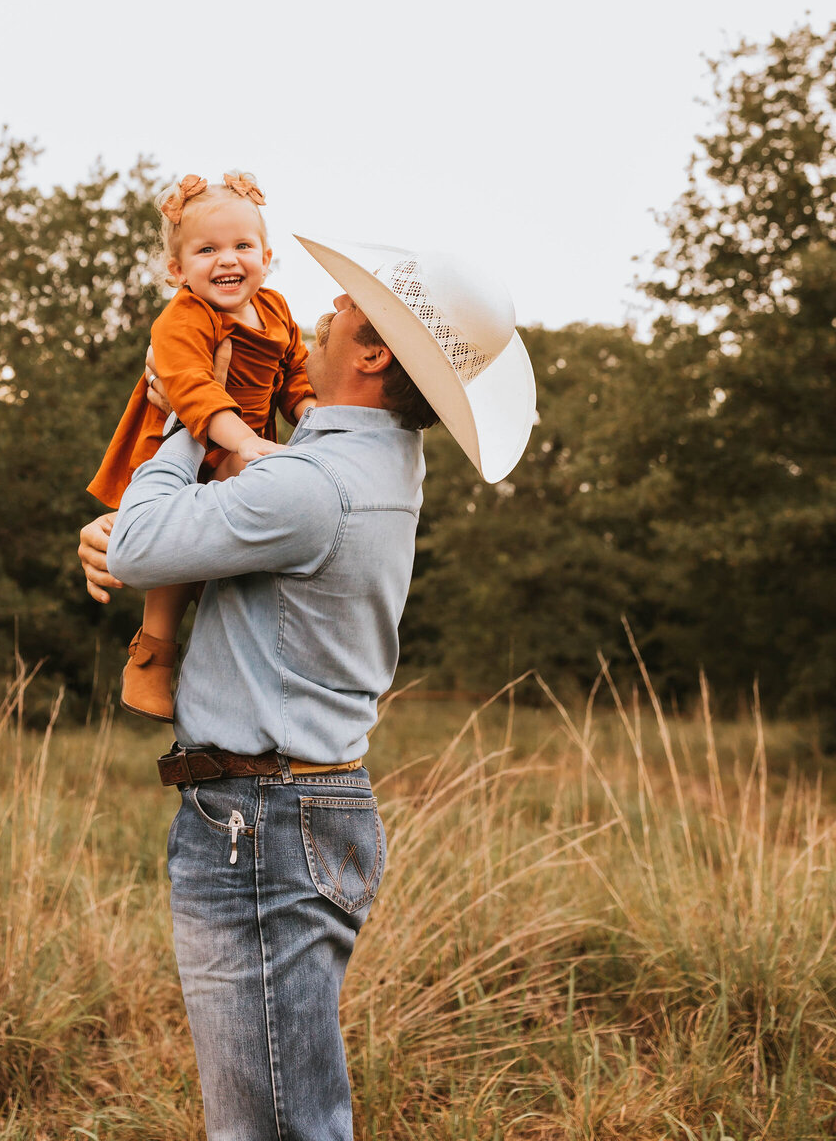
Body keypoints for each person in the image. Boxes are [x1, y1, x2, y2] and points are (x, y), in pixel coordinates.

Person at [79, 238, 537, 1141]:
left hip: (263, 820)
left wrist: (179, 414)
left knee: (274, 1123)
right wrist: (154, 529)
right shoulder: (367, 466)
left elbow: (139, 546)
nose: (322, 312)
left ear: (371, 354)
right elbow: (173, 539)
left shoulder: (313, 486)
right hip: (293, 808)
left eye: (344, 310)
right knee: (281, 1108)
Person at [86, 171, 315, 720]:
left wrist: (311, 416)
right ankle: (152, 658)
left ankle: (228, 668)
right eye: (207, 249)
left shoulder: (278, 310)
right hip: (186, 441)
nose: (228, 260)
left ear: (267, 255)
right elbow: (188, 385)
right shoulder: (185, 316)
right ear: (177, 269)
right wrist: (245, 441)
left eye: (242, 246)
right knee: (173, 558)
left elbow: (295, 375)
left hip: (243, 449)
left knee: (230, 550)